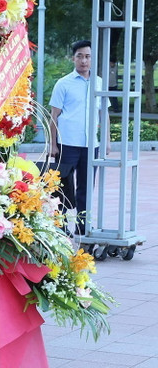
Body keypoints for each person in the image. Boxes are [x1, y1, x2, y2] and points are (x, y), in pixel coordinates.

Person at [49, 40, 109, 236]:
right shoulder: (63, 83)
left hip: (91, 145)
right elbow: (54, 116)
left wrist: (107, 141)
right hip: (66, 144)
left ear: (92, 59)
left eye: (88, 56)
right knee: (62, 187)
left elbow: (104, 114)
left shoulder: (99, 83)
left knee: (86, 188)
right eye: (80, 56)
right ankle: (61, 226)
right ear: (73, 58)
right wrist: (52, 144)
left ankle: (83, 227)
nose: (84, 60)